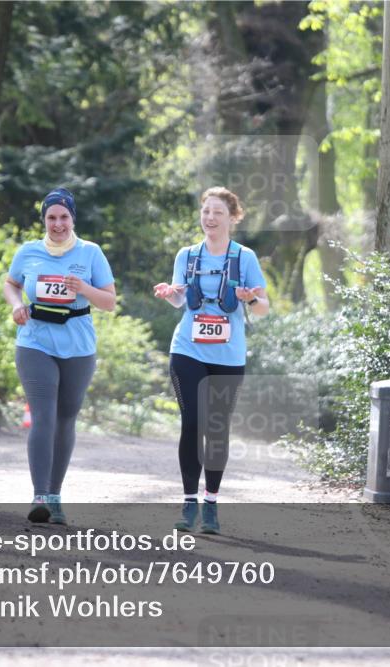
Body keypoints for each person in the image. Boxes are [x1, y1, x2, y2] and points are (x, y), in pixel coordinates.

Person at [153, 187, 268, 534]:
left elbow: (263, 308)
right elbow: (180, 299)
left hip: (228, 356)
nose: (210, 218)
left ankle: (211, 504)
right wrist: (169, 293)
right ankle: (189, 502)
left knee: (216, 427)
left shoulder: (244, 258)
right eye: (206, 211)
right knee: (192, 422)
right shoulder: (187, 256)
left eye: (218, 212)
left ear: (232, 218)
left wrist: (250, 299)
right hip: (187, 349)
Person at [4, 188, 116, 523]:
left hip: (78, 346)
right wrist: (16, 305)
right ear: (44, 220)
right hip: (35, 341)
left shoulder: (90, 253)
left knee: (66, 418)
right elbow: (11, 284)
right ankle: (39, 496)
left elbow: (109, 302)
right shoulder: (29, 251)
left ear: (72, 218)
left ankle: (55, 496)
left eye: (63, 217)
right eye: (51, 217)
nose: (57, 224)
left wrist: (84, 288)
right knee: (43, 416)